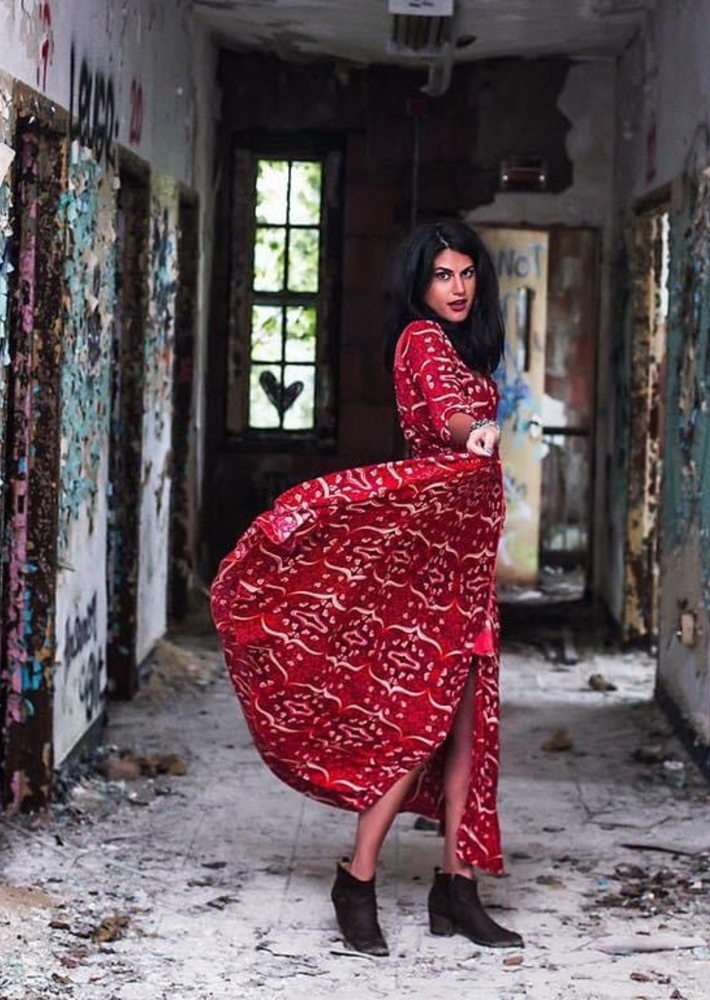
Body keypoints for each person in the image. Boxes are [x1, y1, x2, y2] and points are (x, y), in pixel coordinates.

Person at [210, 218, 522, 957]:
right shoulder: (421, 341)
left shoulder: (468, 347)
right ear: (420, 284)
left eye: (466, 273)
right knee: (417, 726)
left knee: (467, 735)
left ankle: (457, 887)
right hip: (431, 575)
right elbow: (450, 413)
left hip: (465, 567)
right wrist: (471, 432)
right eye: (443, 275)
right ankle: (357, 878)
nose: (457, 288)